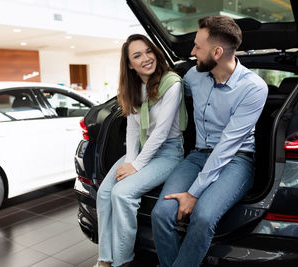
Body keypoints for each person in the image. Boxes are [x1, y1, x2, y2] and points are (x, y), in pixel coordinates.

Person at [151, 16, 268, 267]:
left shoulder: (254, 88)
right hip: (197, 156)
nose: (192, 53)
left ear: (217, 52)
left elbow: (228, 146)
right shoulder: (194, 75)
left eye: (197, 47)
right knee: (161, 213)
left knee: (203, 217)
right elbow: (173, 93)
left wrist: (193, 194)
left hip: (237, 160)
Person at [94, 34, 187, 267]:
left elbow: (161, 133)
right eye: (137, 55)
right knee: (104, 193)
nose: (146, 58)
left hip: (168, 152)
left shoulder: (171, 83)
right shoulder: (135, 87)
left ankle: (123, 261)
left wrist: (135, 166)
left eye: (148, 51)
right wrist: (131, 160)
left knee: (122, 193)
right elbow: (133, 131)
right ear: (129, 65)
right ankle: (105, 259)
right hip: (145, 151)